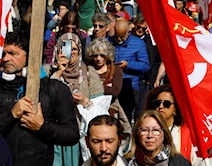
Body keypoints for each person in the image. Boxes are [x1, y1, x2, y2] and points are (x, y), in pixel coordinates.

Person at [0, 32, 79, 165]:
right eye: (3, 54)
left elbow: (71, 135)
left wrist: (42, 127)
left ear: (29, 55)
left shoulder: (53, 89)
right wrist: (11, 115)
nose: (6, 58)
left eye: (12, 53)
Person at [46, 32, 109, 162]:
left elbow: (101, 106)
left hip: (79, 132)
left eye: (74, 49)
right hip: (54, 131)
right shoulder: (48, 71)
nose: (71, 52)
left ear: (79, 50)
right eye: (66, 48)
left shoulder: (89, 73)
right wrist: (59, 72)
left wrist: (84, 101)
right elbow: (45, 95)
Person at [86, 38, 131, 152]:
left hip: (111, 108)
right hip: (89, 108)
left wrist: (94, 87)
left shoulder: (115, 70)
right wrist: (106, 87)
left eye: (102, 55)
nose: (98, 58)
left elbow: (115, 91)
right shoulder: (87, 68)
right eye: (95, 55)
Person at [144, 85, 200, 165]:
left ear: (175, 109)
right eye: (157, 103)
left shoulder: (188, 134)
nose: (161, 107)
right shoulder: (144, 131)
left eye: (166, 104)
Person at [113, 19, 150, 122]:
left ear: (128, 32)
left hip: (129, 86)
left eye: (122, 36)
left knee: (125, 118)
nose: (119, 39)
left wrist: (128, 65)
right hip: (111, 85)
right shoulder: (109, 41)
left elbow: (145, 66)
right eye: (117, 35)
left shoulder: (138, 44)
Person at [124, 110, 191, 166]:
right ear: (137, 133)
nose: (150, 135)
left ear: (164, 133)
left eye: (156, 130)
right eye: (144, 130)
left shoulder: (180, 163)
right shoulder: (126, 162)